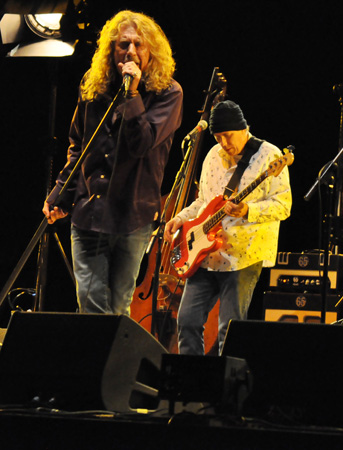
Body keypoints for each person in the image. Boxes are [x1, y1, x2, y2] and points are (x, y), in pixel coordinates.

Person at [42, 10, 183, 315]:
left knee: (118, 309)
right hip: (89, 212)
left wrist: (131, 94)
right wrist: (61, 193)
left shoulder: (168, 93)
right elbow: (79, 145)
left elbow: (142, 143)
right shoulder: (93, 85)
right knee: (90, 305)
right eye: (123, 44)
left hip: (132, 217)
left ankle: (109, 348)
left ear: (151, 51)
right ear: (111, 50)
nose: (130, 51)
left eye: (138, 44)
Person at [164, 100, 292, 355]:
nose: (223, 143)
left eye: (228, 135)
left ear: (244, 129)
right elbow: (203, 202)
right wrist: (180, 218)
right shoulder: (213, 155)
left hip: (243, 256)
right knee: (187, 321)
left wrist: (248, 210)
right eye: (218, 137)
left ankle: (226, 379)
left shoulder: (269, 156)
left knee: (229, 329)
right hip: (205, 255)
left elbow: (283, 206)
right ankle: (191, 377)